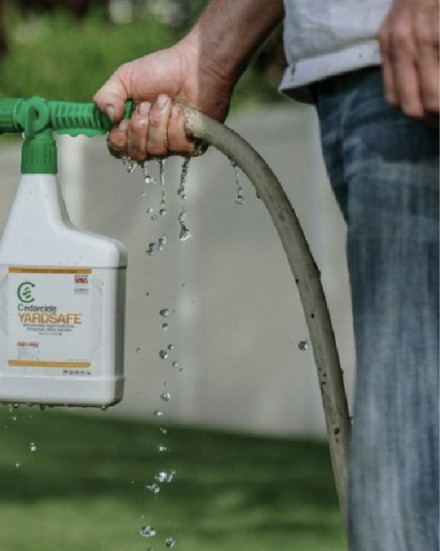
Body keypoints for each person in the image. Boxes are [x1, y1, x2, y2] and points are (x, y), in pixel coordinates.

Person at [92, 0, 439, 549]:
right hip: (357, 77)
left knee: (407, 487)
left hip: (413, 61)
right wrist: (207, 56)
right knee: (399, 476)